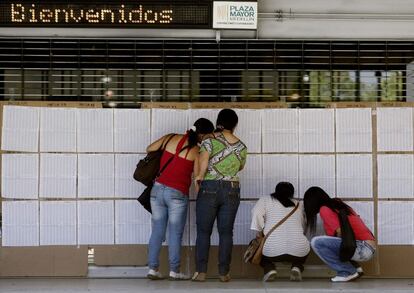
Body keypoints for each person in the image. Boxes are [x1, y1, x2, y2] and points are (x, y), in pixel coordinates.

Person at [146, 118, 214, 281]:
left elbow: (149, 149)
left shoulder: (169, 137)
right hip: (177, 194)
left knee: (157, 231)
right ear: (202, 135)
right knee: (175, 233)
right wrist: (201, 197)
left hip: (157, 190)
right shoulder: (196, 151)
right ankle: (174, 271)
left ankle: (152, 269)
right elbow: (198, 177)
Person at [192, 108, 247, 282]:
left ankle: (201, 272)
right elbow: (240, 168)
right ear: (235, 125)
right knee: (226, 233)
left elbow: (203, 164)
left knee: (203, 232)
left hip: (209, 187)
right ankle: (224, 273)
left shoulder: (209, 141)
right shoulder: (242, 147)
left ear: (218, 122)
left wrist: (199, 178)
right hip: (232, 188)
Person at [303, 186, 376, 282]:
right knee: (333, 243)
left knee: (316, 242)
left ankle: (348, 271)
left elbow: (341, 232)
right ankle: (355, 268)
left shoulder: (324, 209)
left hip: (362, 248)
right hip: (369, 248)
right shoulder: (338, 205)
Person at [251, 182, 310, 282]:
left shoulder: (265, 200)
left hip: (272, 251)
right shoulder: (299, 204)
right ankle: (297, 266)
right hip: (299, 250)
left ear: (276, 190)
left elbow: (256, 214)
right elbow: (304, 225)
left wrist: (259, 231)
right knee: (304, 245)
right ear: (292, 193)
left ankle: (269, 268)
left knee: (256, 245)